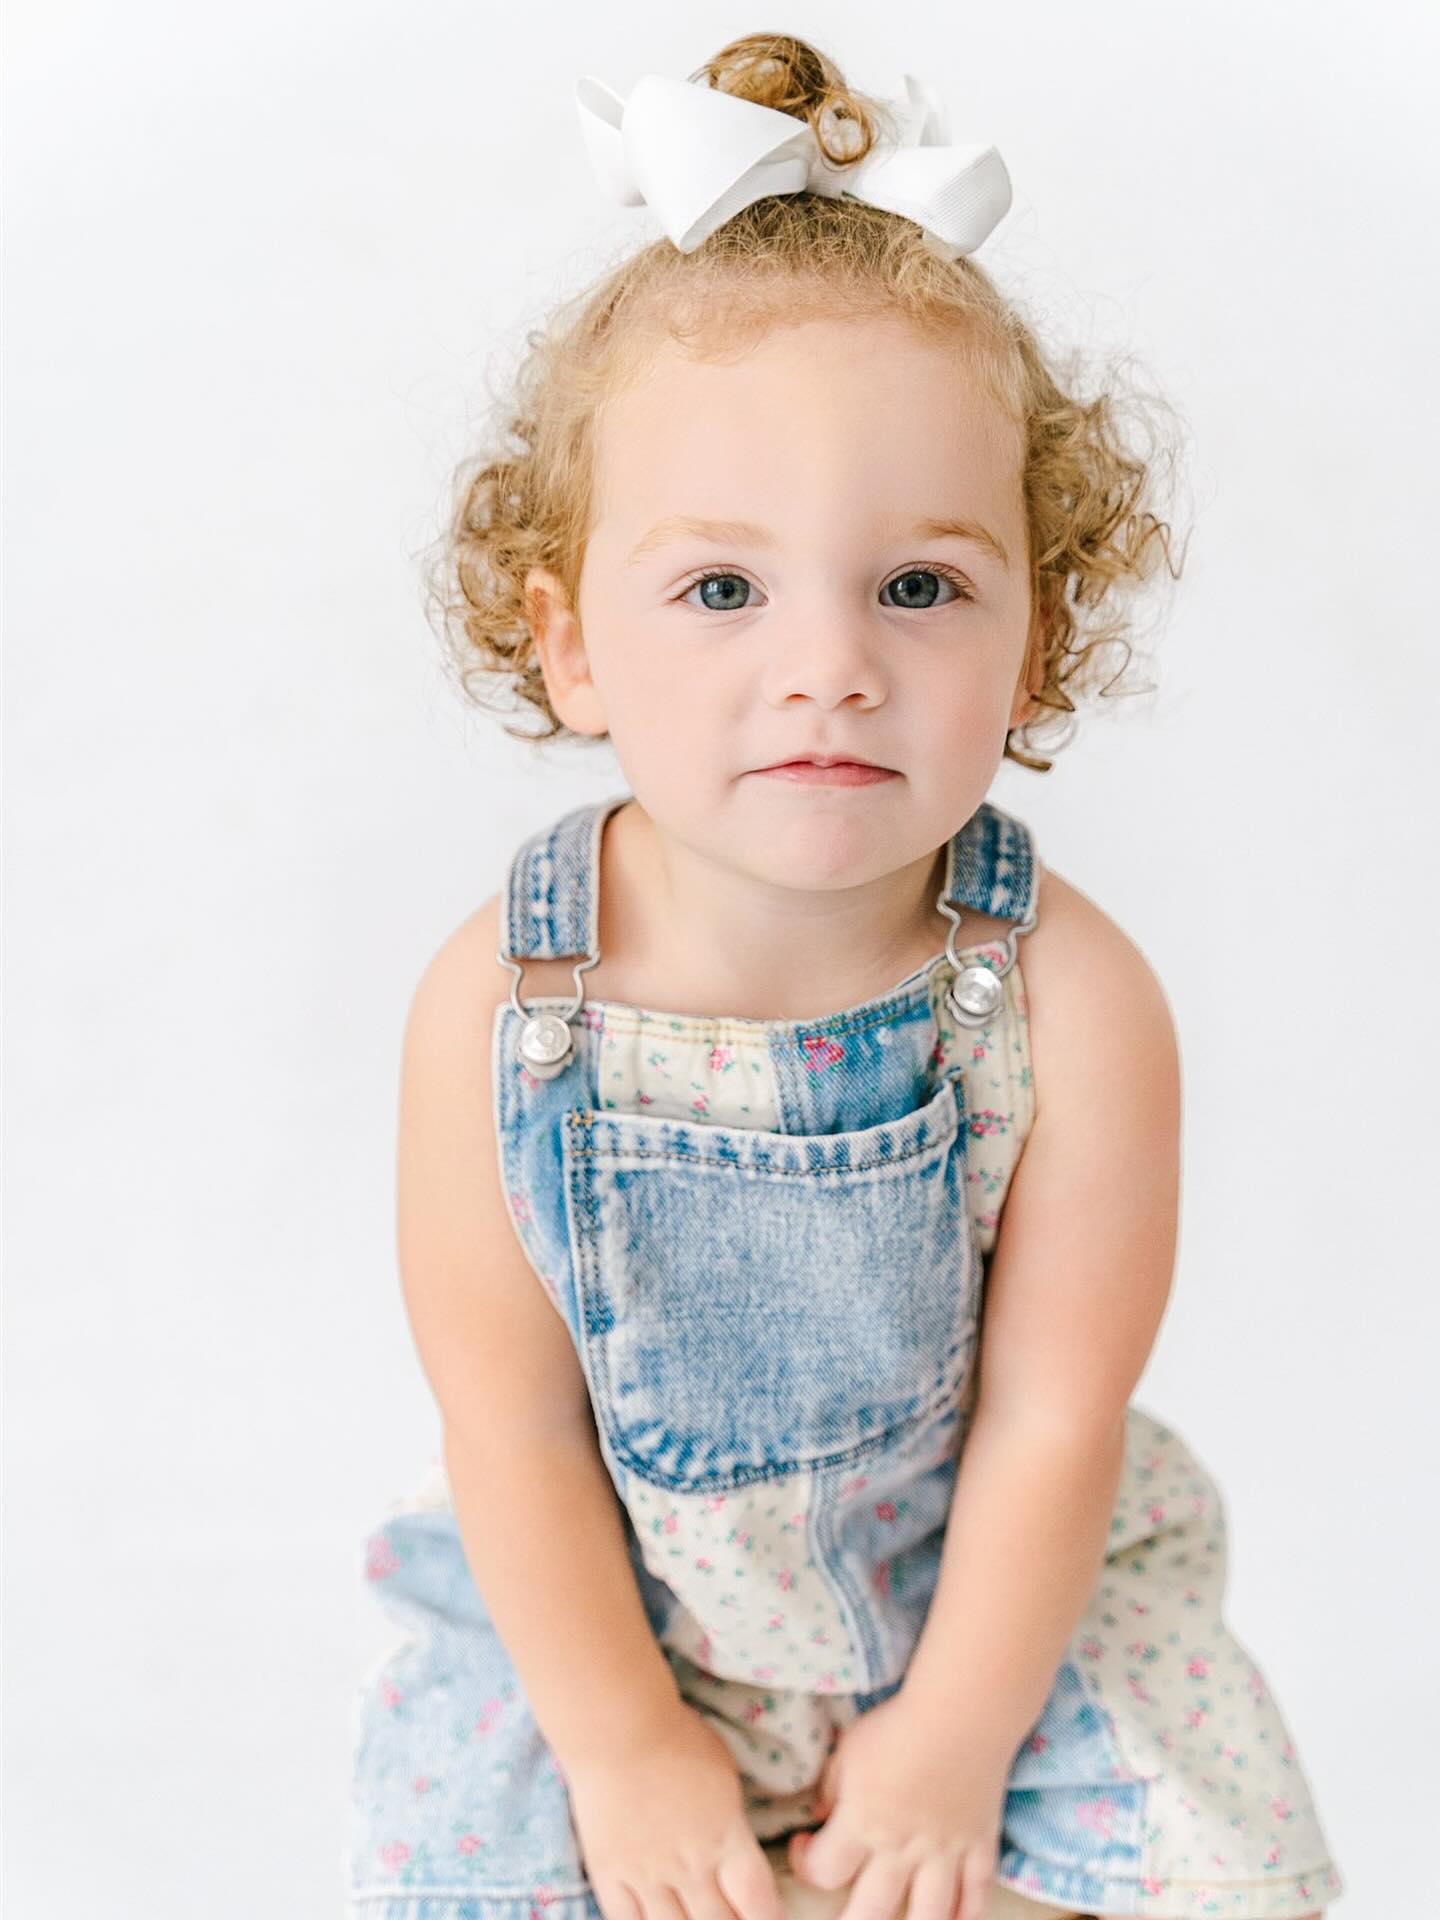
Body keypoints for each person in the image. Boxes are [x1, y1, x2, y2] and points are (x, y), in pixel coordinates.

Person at [345, 32, 1345, 1920]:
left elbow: (1054, 1421)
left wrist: (955, 1740)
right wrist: (628, 1752)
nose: (831, 665)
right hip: (610, 1618)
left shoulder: (1072, 1002)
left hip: (984, 1600)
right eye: (723, 591)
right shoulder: (500, 1005)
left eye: (919, 587)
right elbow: (512, 1427)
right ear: (571, 644)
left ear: (1033, 639)